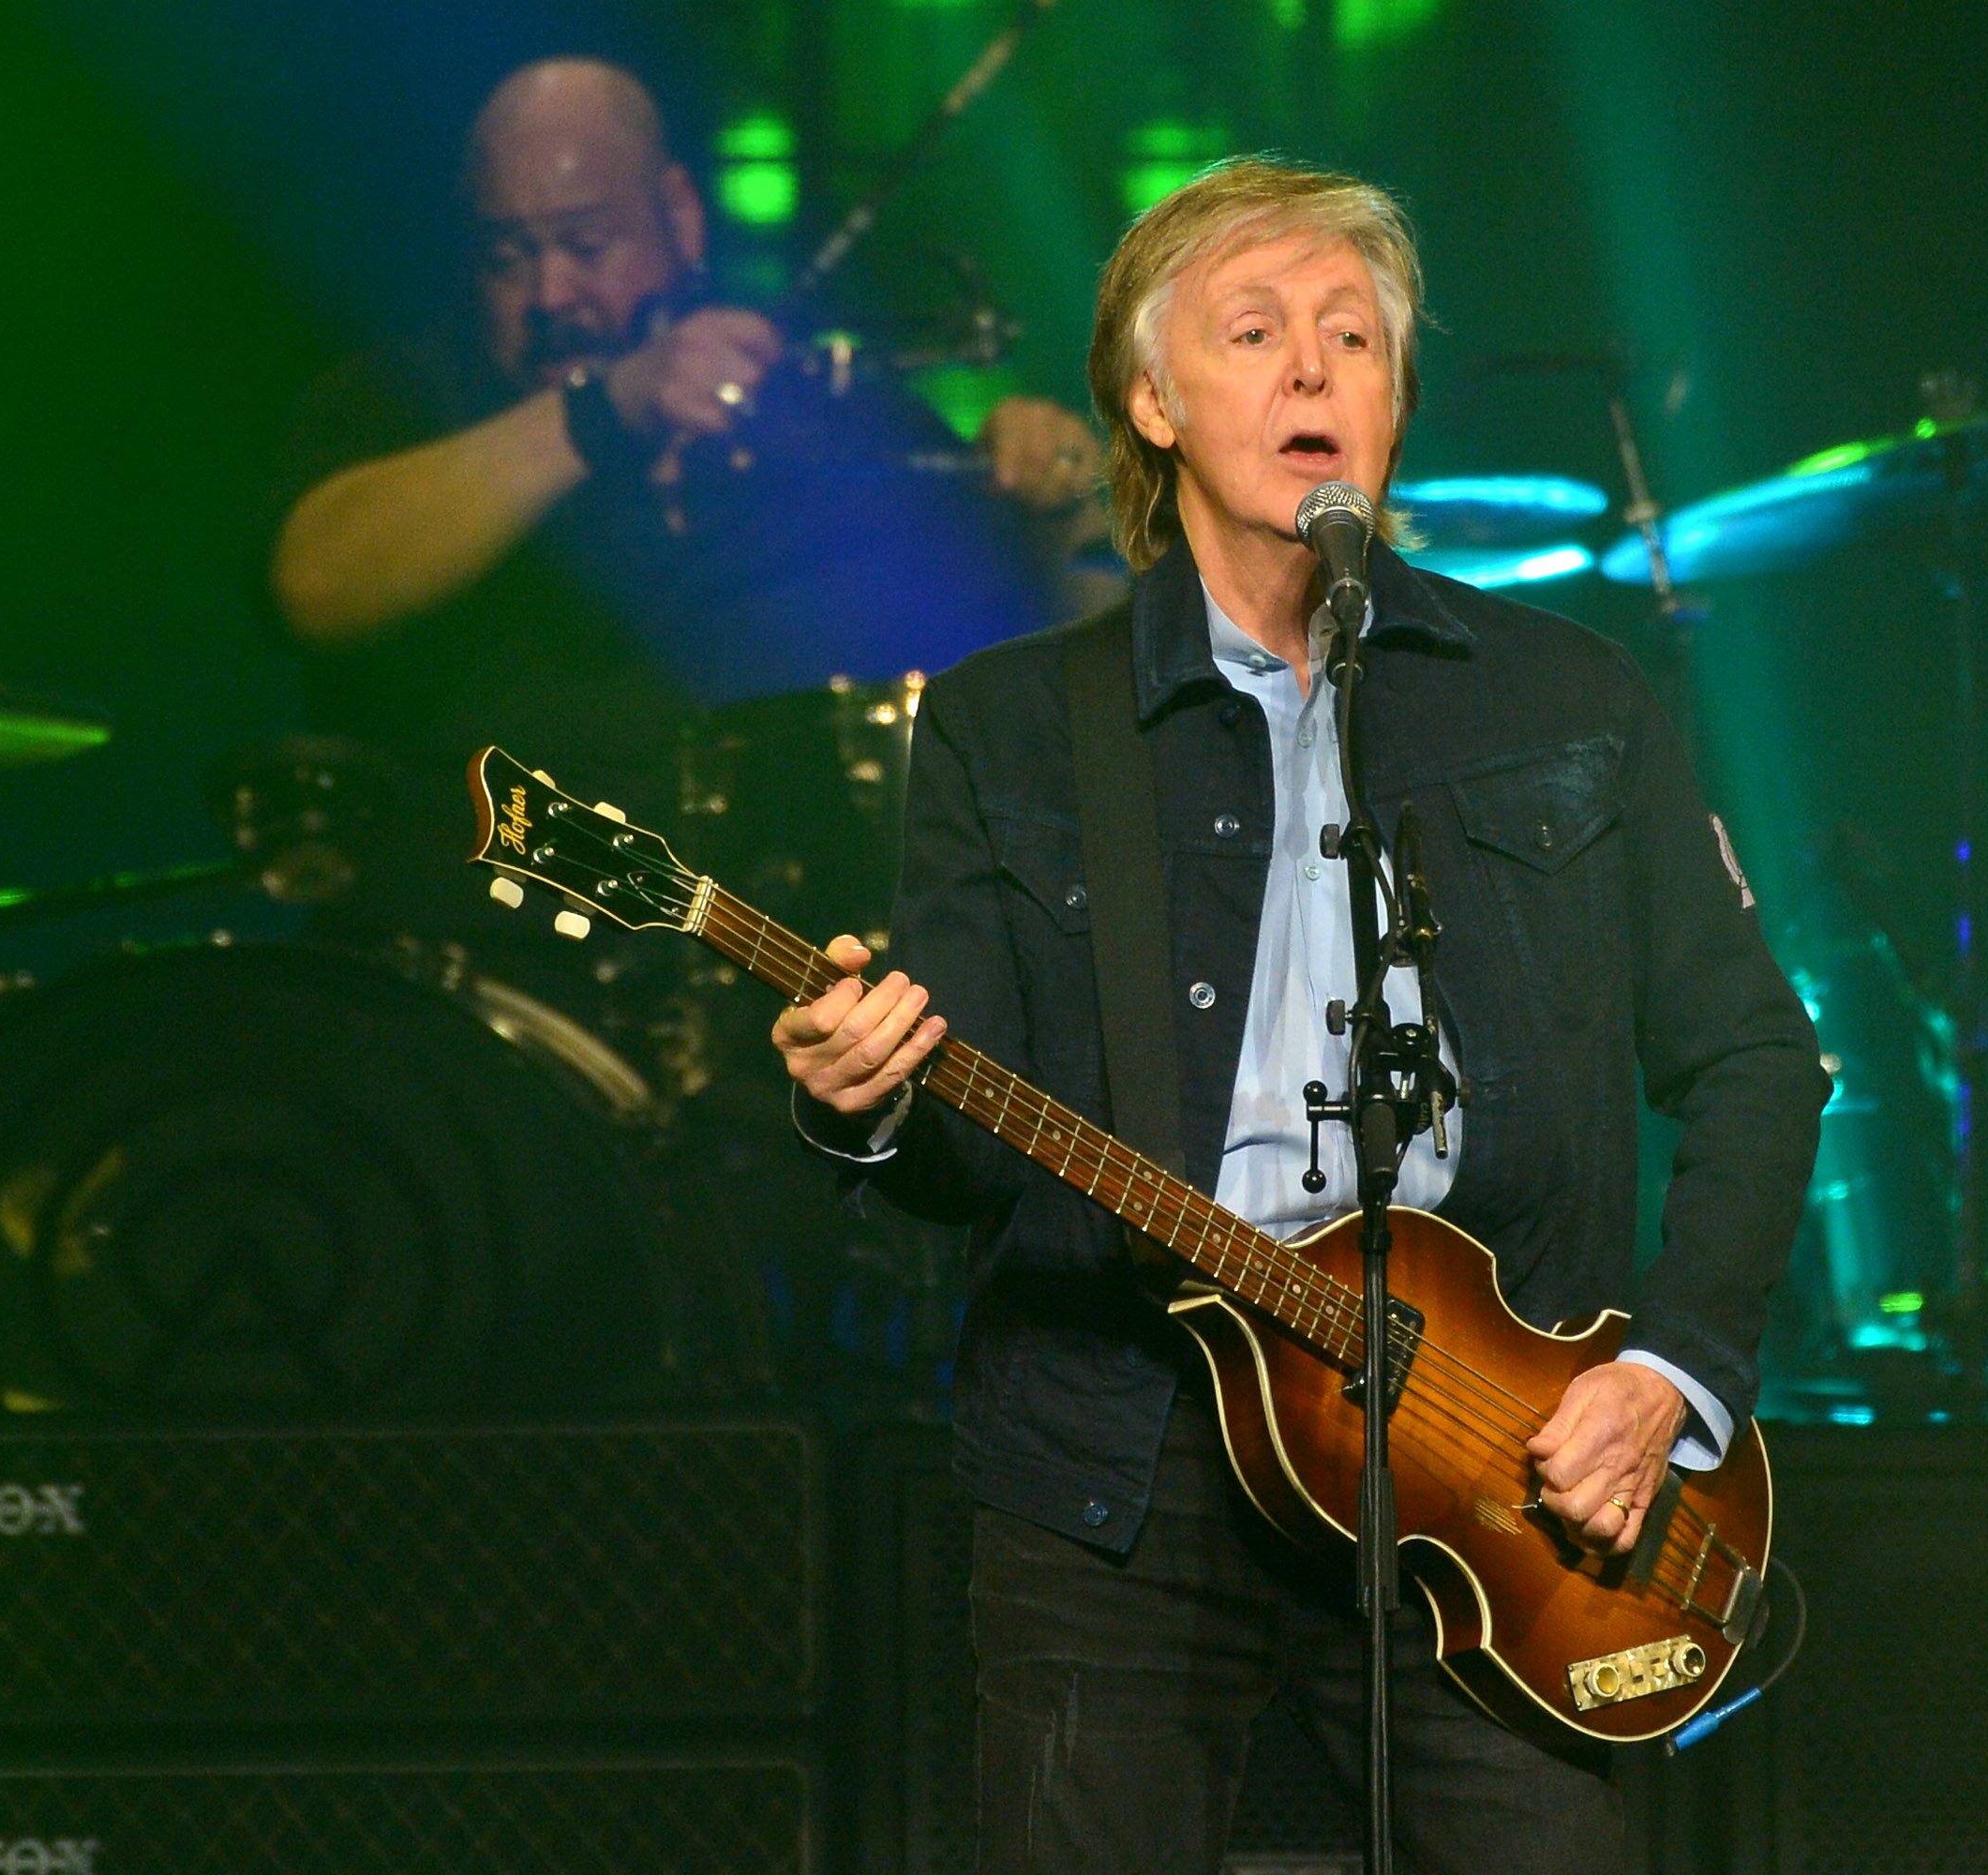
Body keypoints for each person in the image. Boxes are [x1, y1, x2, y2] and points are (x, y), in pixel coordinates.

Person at [773, 158, 1827, 1872]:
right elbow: (968, 1163)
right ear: (1154, 401)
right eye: (1255, 332)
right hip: (1120, 1463)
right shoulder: (1010, 726)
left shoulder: (1567, 699)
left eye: (1355, 335)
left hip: (1490, 1454)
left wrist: (1667, 1375)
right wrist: (867, 1100)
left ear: (1396, 400)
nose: (1315, 368)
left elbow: (1758, 1060)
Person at [265, 56, 1105, 830]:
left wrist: (1055, 504)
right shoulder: (409, 398)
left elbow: (1065, 684)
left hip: (773, 930)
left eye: (587, 245)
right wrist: (607, 408)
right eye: (506, 258)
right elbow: (311, 584)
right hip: (468, 925)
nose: (550, 293)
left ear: (679, 216)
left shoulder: (825, 415)